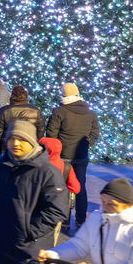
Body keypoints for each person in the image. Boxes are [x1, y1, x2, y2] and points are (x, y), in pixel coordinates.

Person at [0, 121, 67, 264]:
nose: (15, 143)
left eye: (21, 139)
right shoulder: (1, 166)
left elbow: (56, 210)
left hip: (31, 249)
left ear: (31, 142)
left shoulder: (47, 172)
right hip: (3, 244)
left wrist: (27, 233)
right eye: (12, 139)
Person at [43, 83, 100, 227]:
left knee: (61, 186)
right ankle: (81, 219)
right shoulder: (90, 112)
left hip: (63, 156)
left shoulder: (59, 111)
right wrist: (86, 143)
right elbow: (95, 133)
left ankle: (64, 219)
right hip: (81, 156)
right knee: (80, 186)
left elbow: (51, 134)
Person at [0, 85, 42, 155]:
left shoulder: (4, 110)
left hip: (9, 145)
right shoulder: (35, 111)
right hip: (28, 145)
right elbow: (40, 130)